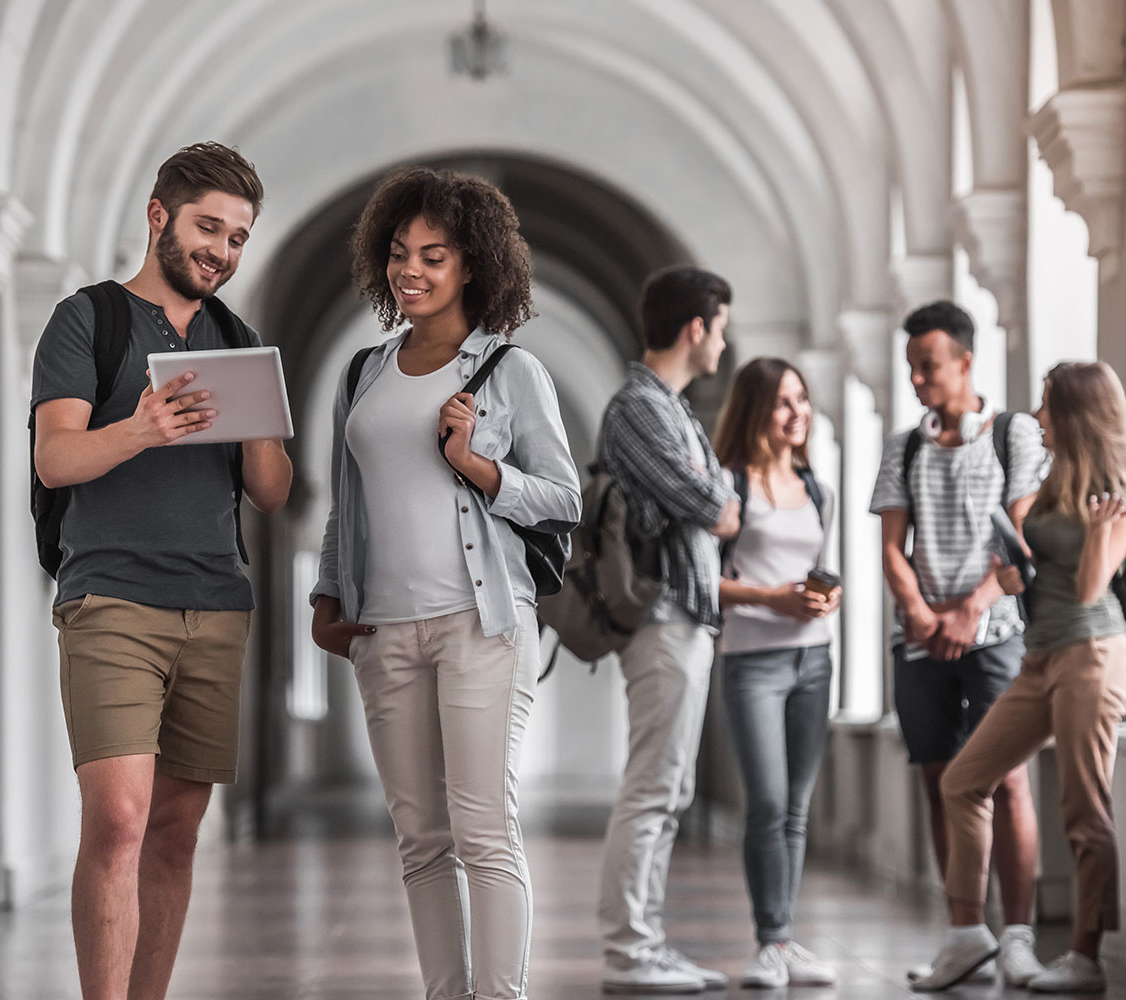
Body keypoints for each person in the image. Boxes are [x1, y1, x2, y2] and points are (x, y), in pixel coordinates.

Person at [309, 166, 580, 1000]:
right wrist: (328, 597)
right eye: (399, 253)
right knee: (421, 839)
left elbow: (564, 498)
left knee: (484, 829)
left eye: (434, 255)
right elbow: (344, 504)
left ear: (473, 266)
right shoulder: (364, 374)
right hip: (384, 632)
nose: (411, 270)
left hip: (481, 625)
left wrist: (478, 467)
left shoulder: (509, 372)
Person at [31, 142, 293, 1000]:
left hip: (215, 607)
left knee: (176, 833)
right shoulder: (88, 319)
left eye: (238, 237)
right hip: (110, 601)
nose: (221, 249)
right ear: (158, 218)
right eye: (207, 227)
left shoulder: (237, 339)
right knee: (118, 821)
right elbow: (56, 459)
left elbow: (272, 493)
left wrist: (258, 419)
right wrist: (143, 427)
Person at [916, 361, 1126, 994]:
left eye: (1048, 406)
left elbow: (1088, 591)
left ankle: (1085, 957)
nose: (1036, 418)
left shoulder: (1120, 493)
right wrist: (1013, 576)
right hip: (1041, 656)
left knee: (1084, 808)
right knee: (964, 781)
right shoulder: (1058, 481)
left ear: (1078, 413)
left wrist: (1106, 534)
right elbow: (1041, 574)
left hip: (1092, 655)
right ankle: (969, 936)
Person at [871, 301, 1048, 988]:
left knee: (1007, 781)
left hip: (995, 635)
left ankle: (1019, 938)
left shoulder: (1016, 436)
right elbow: (891, 547)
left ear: (966, 362)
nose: (917, 379)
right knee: (941, 782)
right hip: (921, 639)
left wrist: (971, 610)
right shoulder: (904, 447)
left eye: (929, 366)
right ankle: (963, 934)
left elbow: (1024, 544)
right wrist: (919, 610)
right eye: (912, 367)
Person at [595, 266, 740, 995]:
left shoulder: (670, 409)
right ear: (696, 328)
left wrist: (714, 492)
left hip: (687, 617)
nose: (724, 342)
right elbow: (712, 503)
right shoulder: (638, 409)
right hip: (662, 619)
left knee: (669, 788)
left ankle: (645, 941)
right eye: (721, 327)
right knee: (653, 787)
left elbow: (714, 497)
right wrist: (715, 491)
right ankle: (629, 948)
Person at [711, 358, 842, 989]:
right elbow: (704, 582)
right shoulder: (730, 487)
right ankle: (767, 940)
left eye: (803, 400)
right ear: (757, 411)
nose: (798, 413)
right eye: (784, 402)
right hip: (752, 661)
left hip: (815, 659)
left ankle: (785, 940)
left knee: (795, 807)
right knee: (765, 803)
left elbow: (819, 565)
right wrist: (772, 600)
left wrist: (823, 598)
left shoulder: (819, 488)